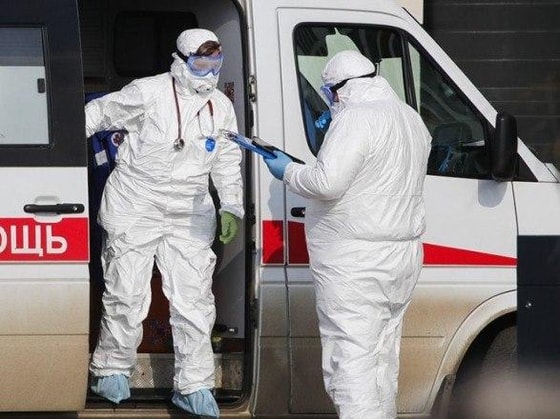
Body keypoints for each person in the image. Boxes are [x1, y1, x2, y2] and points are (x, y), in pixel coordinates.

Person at [84, 28, 244, 418]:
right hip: (136, 201)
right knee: (126, 291)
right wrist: (56, 166)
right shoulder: (148, 92)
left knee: (195, 301)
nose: (209, 72)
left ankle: (194, 386)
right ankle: (110, 370)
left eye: (216, 63)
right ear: (180, 61)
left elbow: (227, 160)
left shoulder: (220, 106)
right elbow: (95, 115)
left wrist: (231, 206)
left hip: (190, 208)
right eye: (200, 64)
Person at [263, 50, 431, 419]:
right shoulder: (410, 117)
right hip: (401, 256)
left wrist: (287, 170)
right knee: (382, 358)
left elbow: (327, 183)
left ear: (340, 89)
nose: (330, 100)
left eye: (329, 92)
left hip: (356, 262)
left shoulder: (356, 118)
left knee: (350, 359)